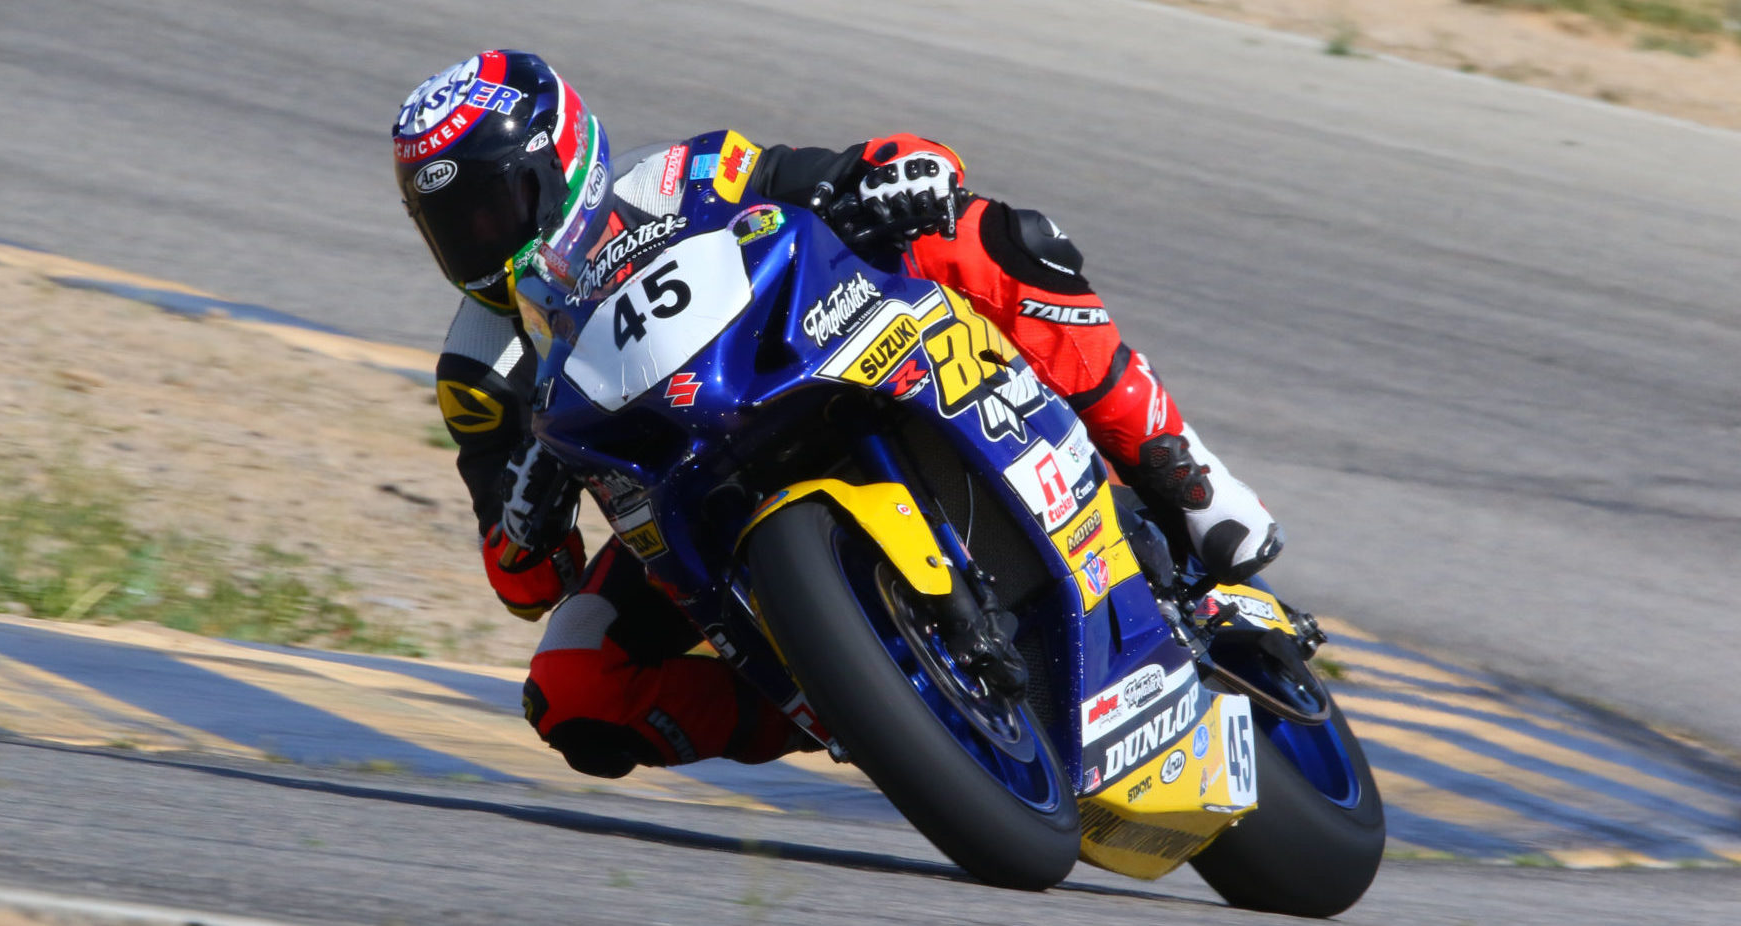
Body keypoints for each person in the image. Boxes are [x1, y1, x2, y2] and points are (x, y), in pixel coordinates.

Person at [395, 51, 1282, 779]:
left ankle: (1183, 471)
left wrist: (894, 170)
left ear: (563, 162)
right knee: (570, 690)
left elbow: (825, 175)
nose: (479, 240)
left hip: (804, 369)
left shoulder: (675, 177)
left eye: (491, 206)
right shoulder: (481, 373)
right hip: (676, 505)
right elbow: (527, 583)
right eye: (451, 225)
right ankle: (864, 715)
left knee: (981, 236)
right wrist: (522, 514)